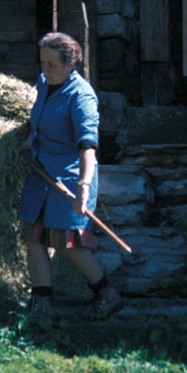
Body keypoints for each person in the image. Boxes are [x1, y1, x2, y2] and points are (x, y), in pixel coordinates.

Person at [18, 32, 123, 318]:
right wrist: (32, 137)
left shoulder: (81, 96)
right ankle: (42, 305)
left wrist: (84, 188)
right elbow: (42, 117)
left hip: (69, 176)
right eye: (42, 62)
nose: (45, 69)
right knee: (33, 237)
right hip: (41, 173)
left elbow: (88, 147)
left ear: (70, 65)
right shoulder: (44, 83)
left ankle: (107, 294)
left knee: (65, 243)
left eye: (51, 64)